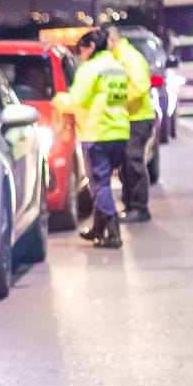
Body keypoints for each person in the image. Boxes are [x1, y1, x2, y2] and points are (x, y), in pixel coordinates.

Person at [53, 28, 130, 249]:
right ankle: (98, 228)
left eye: (82, 50)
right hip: (119, 132)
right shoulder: (118, 67)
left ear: (92, 47)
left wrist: (59, 100)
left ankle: (113, 232)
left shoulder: (91, 69)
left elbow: (78, 101)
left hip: (97, 133)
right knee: (102, 183)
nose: (81, 55)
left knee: (99, 185)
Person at [107, 26, 153, 222]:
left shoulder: (130, 58)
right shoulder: (119, 58)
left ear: (111, 41)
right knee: (126, 164)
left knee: (133, 162)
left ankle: (140, 208)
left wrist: (118, 102)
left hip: (138, 118)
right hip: (128, 118)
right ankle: (130, 205)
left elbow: (140, 86)